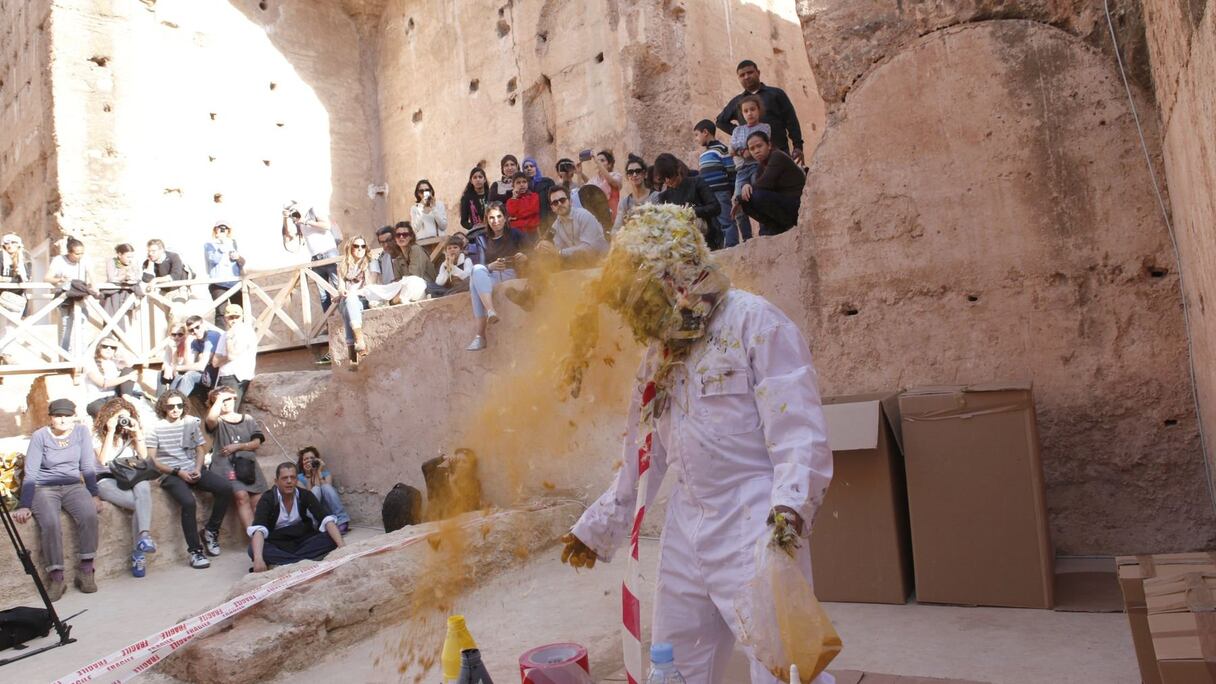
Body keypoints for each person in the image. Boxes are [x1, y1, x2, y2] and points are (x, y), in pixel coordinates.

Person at [558, 204, 833, 684]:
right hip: (687, 528)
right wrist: (599, 526)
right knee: (673, 664)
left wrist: (790, 510)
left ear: (675, 273)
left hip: (755, 522)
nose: (639, 317)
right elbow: (642, 457)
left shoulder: (754, 323)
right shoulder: (658, 357)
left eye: (643, 299)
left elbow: (799, 431)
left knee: (783, 669)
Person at [13, 398, 102, 601]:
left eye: (67, 416)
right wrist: (25, 504)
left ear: (74, 417)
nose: (63, 420)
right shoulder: (40, 436)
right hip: (44, 487)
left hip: (72, 484)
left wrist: (94, 494)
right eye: (58, 416)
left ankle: (86, 571)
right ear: (50, 418)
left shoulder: (81, 432)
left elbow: (87, 466)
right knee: (51, 523)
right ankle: (57, 578)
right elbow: (31, 472)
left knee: (89, 515)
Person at [146, 389, 232, 569]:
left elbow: (200, 449)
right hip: (170, 473)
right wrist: (178, 472)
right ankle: (195, 551)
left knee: (225, 487)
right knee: (188, 502)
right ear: (164, 407)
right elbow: (154, 461)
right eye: (171, 406)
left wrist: (197, 469)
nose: (175, 409)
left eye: (179, 405)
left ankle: (211, 531)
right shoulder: (155, 427)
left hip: (192, 468)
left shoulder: (190, 423)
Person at [92, 397, 158, 578]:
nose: (124, 421)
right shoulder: (97, 436)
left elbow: (144, 458)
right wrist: (111, 431)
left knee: (144, 485)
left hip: (132, 477)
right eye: (120, 417)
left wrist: (137, 433)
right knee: (141, 505)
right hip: (107, 480)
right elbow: (104, 460)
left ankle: (143, 536)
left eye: (127, 417)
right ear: (109, 417)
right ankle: (138, 553)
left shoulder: (129, 434)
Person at [249, 462, 345, 571]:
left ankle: (286, 563)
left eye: (293, 478)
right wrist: (258, 559)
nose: (289, 481)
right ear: (276, 481)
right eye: (285, 478)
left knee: (332, 537)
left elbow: (325, 519)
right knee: (253, 549)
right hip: (278, 542)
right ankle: (304, 561)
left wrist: (342, 547)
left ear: (296, 480)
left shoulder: (305, 495)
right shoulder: (267, 499)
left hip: (303, 539)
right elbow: (258, 529)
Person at [715, 59, 805, 165]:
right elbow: (720, 121)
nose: (746, 77)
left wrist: (798, 146)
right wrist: (740, 132)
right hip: (752, 161)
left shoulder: (776, 94)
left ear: (758, 72)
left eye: (750, 72)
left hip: (778, 153)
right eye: (742, 75)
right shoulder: (738, 102)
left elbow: (791, 120)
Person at [205, 385, 266, 536]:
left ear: (234, 398)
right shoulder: (218, 422)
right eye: (219, 401)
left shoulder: (248, 419)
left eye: (227, 399)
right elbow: (210, 419)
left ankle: (263, 538)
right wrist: (218, 397)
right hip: (226, 466)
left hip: (248, 465)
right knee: (241, 496)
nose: (224, 403)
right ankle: (255, 538)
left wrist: (238, 446)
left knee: (258, 500)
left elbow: (256, 443)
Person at [465, 203, 527, 351]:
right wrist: (490, 267)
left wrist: (524, 257)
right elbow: (480, 266)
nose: (496, 221)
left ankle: (480, 336)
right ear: (487, 219)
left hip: (510, 274)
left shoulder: (516, 234)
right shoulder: (482, 239)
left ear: (505, 218)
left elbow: (530, 253)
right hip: (490, 277)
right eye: (491, 217)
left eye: (499, 216)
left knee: (474, 284)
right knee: (477, 270)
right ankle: (491, 311)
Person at [739, 131, 807, 236]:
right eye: (752, 149)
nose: (756, 151)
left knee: (756, 195)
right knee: (745, 200)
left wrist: (747, 186)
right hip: (784, 203)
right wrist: (744, 189)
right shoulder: (761, 165)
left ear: (769, 145)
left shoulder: (777, 156)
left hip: (798, 204)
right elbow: (758, 185)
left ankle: (787, 226)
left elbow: (764, 183)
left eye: (759, 146)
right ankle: (775, 227)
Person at [282, 201, 342, 316]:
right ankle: (329, 324)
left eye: (293, 209)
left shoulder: (313, 210)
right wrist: (285, 219)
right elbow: (289, 237)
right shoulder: (297, 222)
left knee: (338, 289)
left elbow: (326, 225)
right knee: (323, 295)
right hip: (315, 259)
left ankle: (345, 320)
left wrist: (305, 221)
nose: (293, 212)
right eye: (290, 211)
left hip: (329, 254)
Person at [695, 120, 748, 247]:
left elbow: (730, 169)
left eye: (697, 135)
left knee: (726, 220)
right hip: (709, 195)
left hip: (721, 192)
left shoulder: (722, 149)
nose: (696, 139)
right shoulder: (703, 154)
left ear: (705, 132)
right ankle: (720, 246)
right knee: (715, 223)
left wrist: (730, 188)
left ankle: (732, 245)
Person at [652, 153, 722, 249]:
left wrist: (692, 211)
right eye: (664, 179)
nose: (668, 181)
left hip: (707, 241)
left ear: (678, 169)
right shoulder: (664, 197)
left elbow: (716, 207)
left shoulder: (696, 183)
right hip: (681, 248)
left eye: (669, 176)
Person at [728, 95, 771, 235]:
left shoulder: (765, 127)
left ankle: (765, 230)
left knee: (757, 197)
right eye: (746, 111)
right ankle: (747, 238)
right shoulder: (737, 130)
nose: (749, 113)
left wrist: (742, 149)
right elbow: (731, 150)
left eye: (752, 109)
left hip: (757, 167)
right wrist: (742, 150)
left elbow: (760, 144)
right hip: (741, 170)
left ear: (759, 110)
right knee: (737, 202)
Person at [47, 237, 97, 354]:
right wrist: (60, 279)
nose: (80, 256)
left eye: (82, 253)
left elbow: (92, 277)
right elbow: (47, 278)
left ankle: (82, 356)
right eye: (77, 254)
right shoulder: (59, 260)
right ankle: (66, 357)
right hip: (64, 296)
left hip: (80, 296)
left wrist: (94, 288)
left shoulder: (85, 260)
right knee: (66, 327)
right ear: (69, 252)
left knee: (83, 323)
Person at [540, 186, 609, 269]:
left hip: (603, 263)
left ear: (570, 201)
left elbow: (588, 248)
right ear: (552, 208)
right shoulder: (555, 227)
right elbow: (559, 251)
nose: (559, 204)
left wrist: (558, 252)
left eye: (562, 200)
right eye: (555, 203)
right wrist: (546, 249)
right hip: (582, 267)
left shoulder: (584, 215)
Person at [82, 336, 142, 417]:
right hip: (97, 400)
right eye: (105, 346)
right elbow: (103, 383)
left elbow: (130, 363)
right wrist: (127, 377)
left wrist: (119, 345)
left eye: (112, 347)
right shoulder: (90, 363)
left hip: (114, 397)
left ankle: (126, 397)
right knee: (108, 415)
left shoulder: (114, 362)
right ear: (98, 348)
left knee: (128, 370)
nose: (109, 349)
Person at [211, 303, 257, 409]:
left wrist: (229, 339)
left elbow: (231, 355)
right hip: (224, 376)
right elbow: (215, 362)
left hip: (237, 377)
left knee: (230, 411)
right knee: (221, 412)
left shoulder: (245, 331)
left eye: (237, 317)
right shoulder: (224, 335)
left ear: (242, 317)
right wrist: (227, 357)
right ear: (225, 318)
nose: (234, 320)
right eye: (231, 317)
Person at [296, 446, 351, 533]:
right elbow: (308, 497)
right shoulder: (298, 479)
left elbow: (329, 491)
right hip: (312, 513)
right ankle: (314, 525)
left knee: (325, 487)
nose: (309, 460)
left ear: (317, 459)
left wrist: (318, 472)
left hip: (326, 509)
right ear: (302, 462)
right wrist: (310, 475)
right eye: (305, 459)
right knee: (316, 490)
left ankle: (342, 521)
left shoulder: (326, 474)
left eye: (312, 458)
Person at [204, 222, 245, 331]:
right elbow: (213, 260)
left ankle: (241, 334)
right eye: (220, 228)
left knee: (240, 310)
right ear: (215, 230)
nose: (223, 230)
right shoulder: (209, 244)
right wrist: (222, 247)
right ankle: (220, 338)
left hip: (234, 282)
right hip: (218, 284)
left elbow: (242, 262)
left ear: (228, 231)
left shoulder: (234, 243)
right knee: (221, 313)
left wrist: (238, 257)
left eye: (225, 228)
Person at [0, 233, 33, 362]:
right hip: (2, 297)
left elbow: (28, 280)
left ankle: (6, 354)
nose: (9, 245)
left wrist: (21, 275)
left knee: (13, 328)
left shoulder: (25, 259)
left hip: (18, 298)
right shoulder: (1, 258)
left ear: (18, 245)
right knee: (2, 327)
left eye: (13, 243)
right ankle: (4, 355)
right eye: (7, 243)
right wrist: (11, 280)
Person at [175, 315, 221, 400]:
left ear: (203, 325)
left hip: (215, 377)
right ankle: (167, 404)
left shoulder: (211, 336)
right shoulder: (195, 341)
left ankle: (177, 404)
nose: (195, 331)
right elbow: (189, 365)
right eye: (191, 330)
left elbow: (201, 366)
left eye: (197, 327)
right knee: (177, 376)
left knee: (189, 376)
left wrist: (176, 368)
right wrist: (187, 343)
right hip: (205, 375)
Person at [102, 243, 143, 325]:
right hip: (114, 294)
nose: (130, 259)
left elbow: (138, 276)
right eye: (128, 257)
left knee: (128, 319)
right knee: (114, 316)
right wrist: (122, 278)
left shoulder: (133, 263)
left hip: (129, 294)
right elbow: (111, 278)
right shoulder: (112, 262)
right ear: (120, 255)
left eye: (132, 257)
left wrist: (132, 278)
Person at [577, 149, 622, 222]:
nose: (599, 163)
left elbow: (611, 181)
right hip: (597, 219)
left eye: (602, 160)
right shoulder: (595, 179)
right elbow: (581, 193)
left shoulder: (616, 175)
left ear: (610, 164)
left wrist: (597, 161)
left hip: (613, 218)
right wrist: (579, 173)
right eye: (598, 160)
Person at [612, 156, 652, 233]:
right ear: (627, 177)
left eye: (638, 171)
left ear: (644, 174)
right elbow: (616, 229)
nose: (634, 174)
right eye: (630, 172)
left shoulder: (656, 196)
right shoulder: (624, 203)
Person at [142, 239, 189, 303]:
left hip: (179, 289)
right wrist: (151, 263)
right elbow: (146, 280)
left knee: (177, 311)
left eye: (153, 251)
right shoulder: (148, 262)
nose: (150, 253)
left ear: (162, 250)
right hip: (163, 292)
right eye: (149, 251)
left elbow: (176, 276)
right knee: (166, 312)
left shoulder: (174, 256)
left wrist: (156, 280)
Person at [410, 178, 450, 248]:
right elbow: (416, 228)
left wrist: (433, 207)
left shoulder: (439, 205)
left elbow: (443, 226)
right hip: (422, 244)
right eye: (421, 191)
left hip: (439, 243)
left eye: (427, 190)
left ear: (431, 191)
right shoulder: (415, 208)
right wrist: (421, 207)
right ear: (418, 193)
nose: (425, 193)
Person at [155, 322, 191, 397]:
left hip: (185, 372)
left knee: (178, 376)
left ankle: (171, 398)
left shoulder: (187, 345)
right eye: (173, 334)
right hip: (175, 371)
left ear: (185, 335)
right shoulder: (171, 345)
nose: (177, 337)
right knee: (161, 374)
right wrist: (168, 368)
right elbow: (166, 362)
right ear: (169, 335)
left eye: (180, 334)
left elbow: (186, 366)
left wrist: (174, 351)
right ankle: (159, 400)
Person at [506, 172, 541, 236]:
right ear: (513, 185)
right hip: (518, 233)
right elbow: (512, 213)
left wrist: (517, 216)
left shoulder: (534, 196)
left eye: (524, 182)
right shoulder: (510, 201)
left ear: (527, 184)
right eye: (518, 182)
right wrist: (514, 198)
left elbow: (533, 210)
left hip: (533, 231)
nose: (522, 185)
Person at [458, 167, 492, 231]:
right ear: (471, 181)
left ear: (484, 180)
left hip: (492, 230)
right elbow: (463, 222)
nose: (478, 180)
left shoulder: (491, 195)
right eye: (475, 177)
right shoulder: (466, 198)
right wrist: (474, 227)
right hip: (477, 233)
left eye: (480, 177)